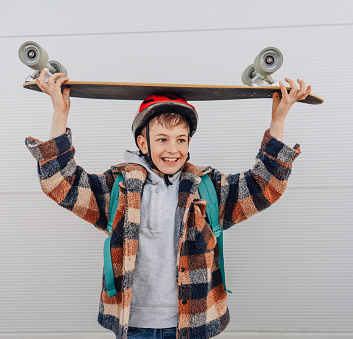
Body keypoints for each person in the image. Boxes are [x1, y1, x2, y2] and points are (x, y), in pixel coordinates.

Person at [25, 69, 311, 339]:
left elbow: (266, 185)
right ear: (143, 143)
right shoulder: (119, 188)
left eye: (181, 140)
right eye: (162, 139)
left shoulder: (206, 187)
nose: (173, 149)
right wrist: (59, 112)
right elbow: (59, 183)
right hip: (135, 324)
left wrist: (279, 118)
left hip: (192, 322)